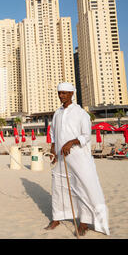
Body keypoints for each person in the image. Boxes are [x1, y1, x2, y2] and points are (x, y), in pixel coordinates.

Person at [44, 82, 110, 236]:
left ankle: (85, 222)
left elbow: (86, 136)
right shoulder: (57, 113)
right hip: (61, 157)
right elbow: (53, 133)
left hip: (79, 157)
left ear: (72, 94)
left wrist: (71, 142)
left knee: (84, 187)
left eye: (65, 93)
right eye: (60, 93)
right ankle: (57, 217)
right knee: (59, 185)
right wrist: (53, 147)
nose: (61, 96)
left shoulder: (81, 114)